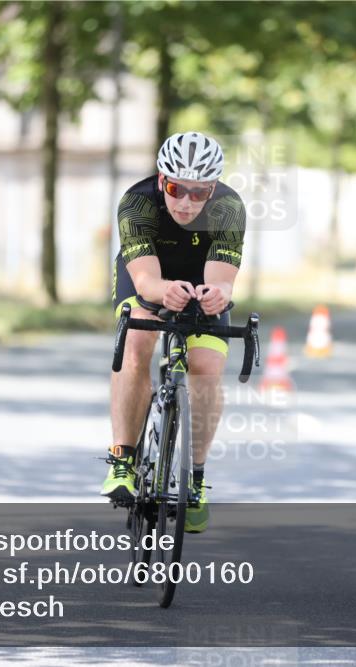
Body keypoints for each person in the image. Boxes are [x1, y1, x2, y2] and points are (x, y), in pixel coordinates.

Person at [101, 131, 246, 533]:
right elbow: (146, 282)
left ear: (213, 188)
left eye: (199, 193)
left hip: (199, 280)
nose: (185, 202)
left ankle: (195, 479)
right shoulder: (137, 202)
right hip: (148, 275)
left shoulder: (229, 207)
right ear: (161, 179)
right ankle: (122, 460)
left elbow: (222, 280)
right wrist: (163, 291)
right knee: (137, 343)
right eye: (175, 189)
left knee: (207, 367)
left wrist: (218, 295)